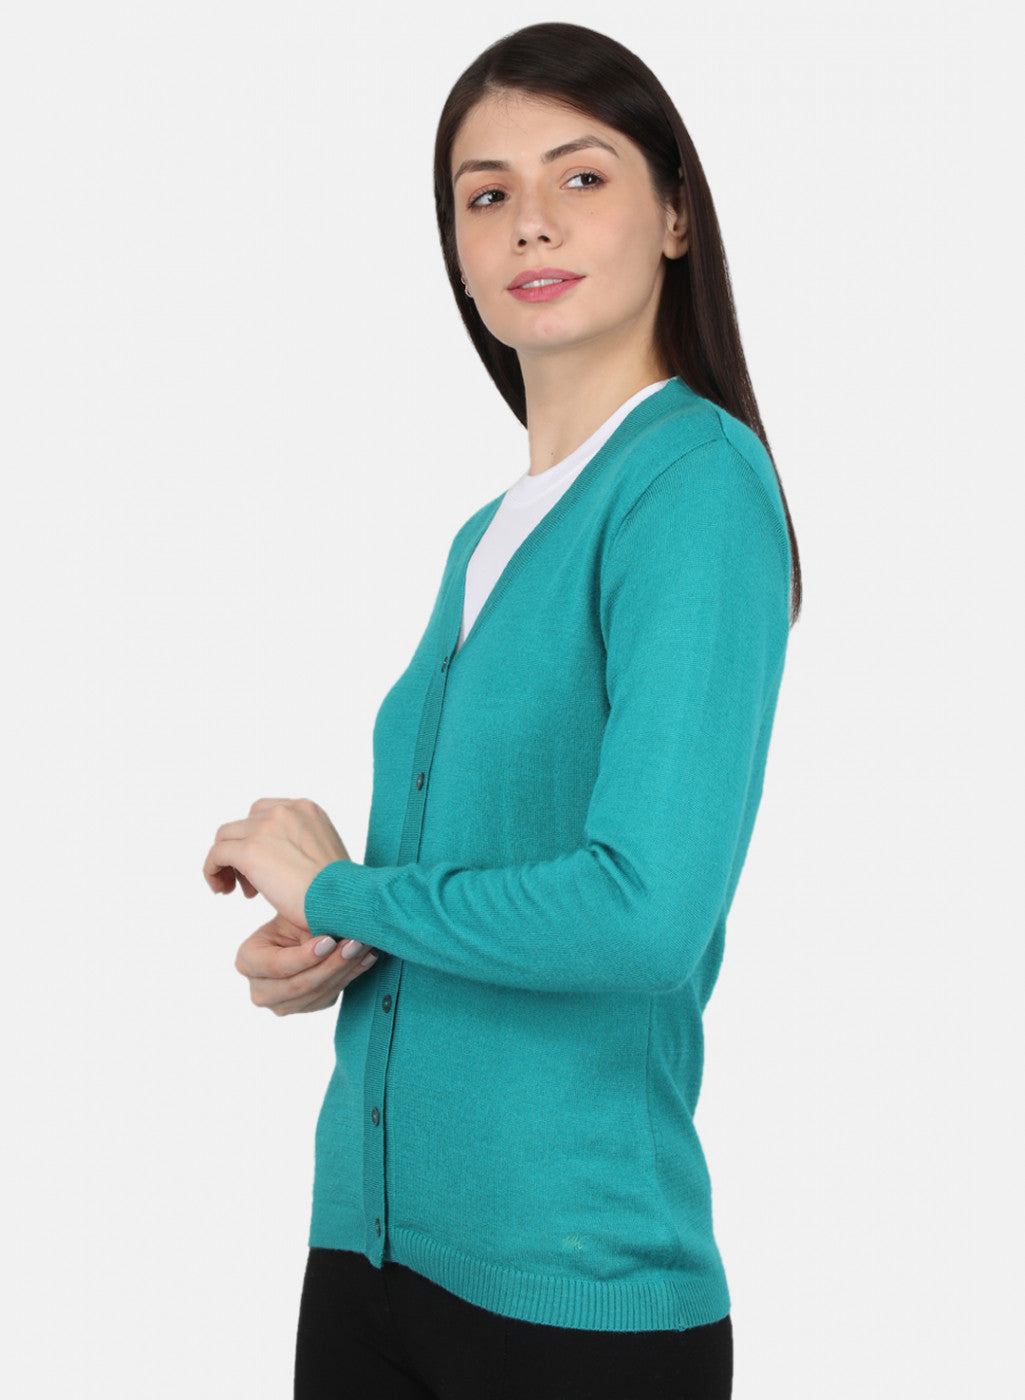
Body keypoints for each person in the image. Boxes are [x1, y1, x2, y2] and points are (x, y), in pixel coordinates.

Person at [203, 20, 802, 1400]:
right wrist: (335, 943)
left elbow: (643, 912)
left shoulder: (693, 485)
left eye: (580, 176)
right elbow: (483, 884)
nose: (530, 220)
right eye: (486, 195)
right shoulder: (485, 534)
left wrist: (349, 891)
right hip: (367, 1258)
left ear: (675, 217)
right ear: (458, 254)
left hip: (570, 1300)